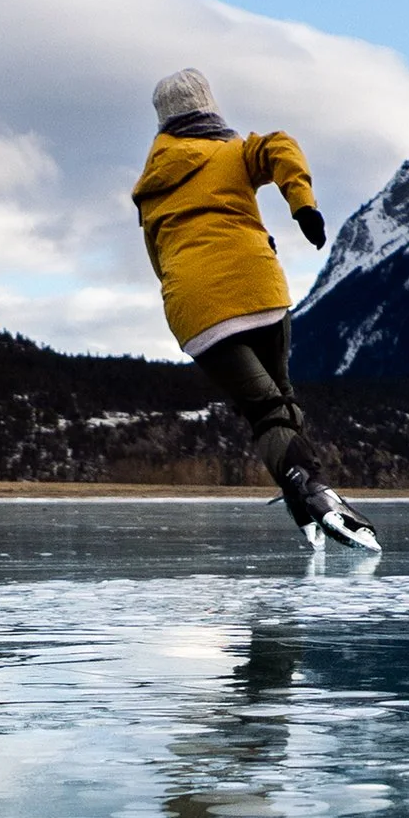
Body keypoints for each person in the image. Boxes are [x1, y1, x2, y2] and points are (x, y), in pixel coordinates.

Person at [132, 68, 379, 556]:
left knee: (267, 410)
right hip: (257, 287)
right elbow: (280, 146)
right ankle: (316, 494)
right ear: (208, 105)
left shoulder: (150, 188)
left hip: (196, 308)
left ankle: (302, 499)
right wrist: (302, 205)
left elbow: (158, 259)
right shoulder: (233, 152)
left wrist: (185, 293)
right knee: (278, 403)